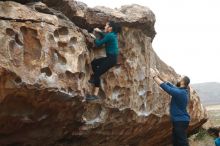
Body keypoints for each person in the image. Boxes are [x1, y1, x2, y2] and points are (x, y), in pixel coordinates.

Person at [150, 68, 190, 146]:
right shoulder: (182, 91)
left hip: (180, 121)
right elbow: (170, 85)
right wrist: (158, 75)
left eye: (180, 78)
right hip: (180, 121)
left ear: (183, 82)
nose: (179, 79)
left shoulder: (180, 93)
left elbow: (167, 88)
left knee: (182, 142)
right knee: (176, 141)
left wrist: (154, 77)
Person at [86, 21, 122, 100]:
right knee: (94, 63)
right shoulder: (113, 35)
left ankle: (95, 95)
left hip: (111, 59)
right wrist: (100, 32)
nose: (104, 27)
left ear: (110, 28)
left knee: (97, 74)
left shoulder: (110, 36)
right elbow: (106, 36)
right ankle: (94, 78)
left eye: (106, 25)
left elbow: (98, 43)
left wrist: (93, 37)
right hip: (111, 58)